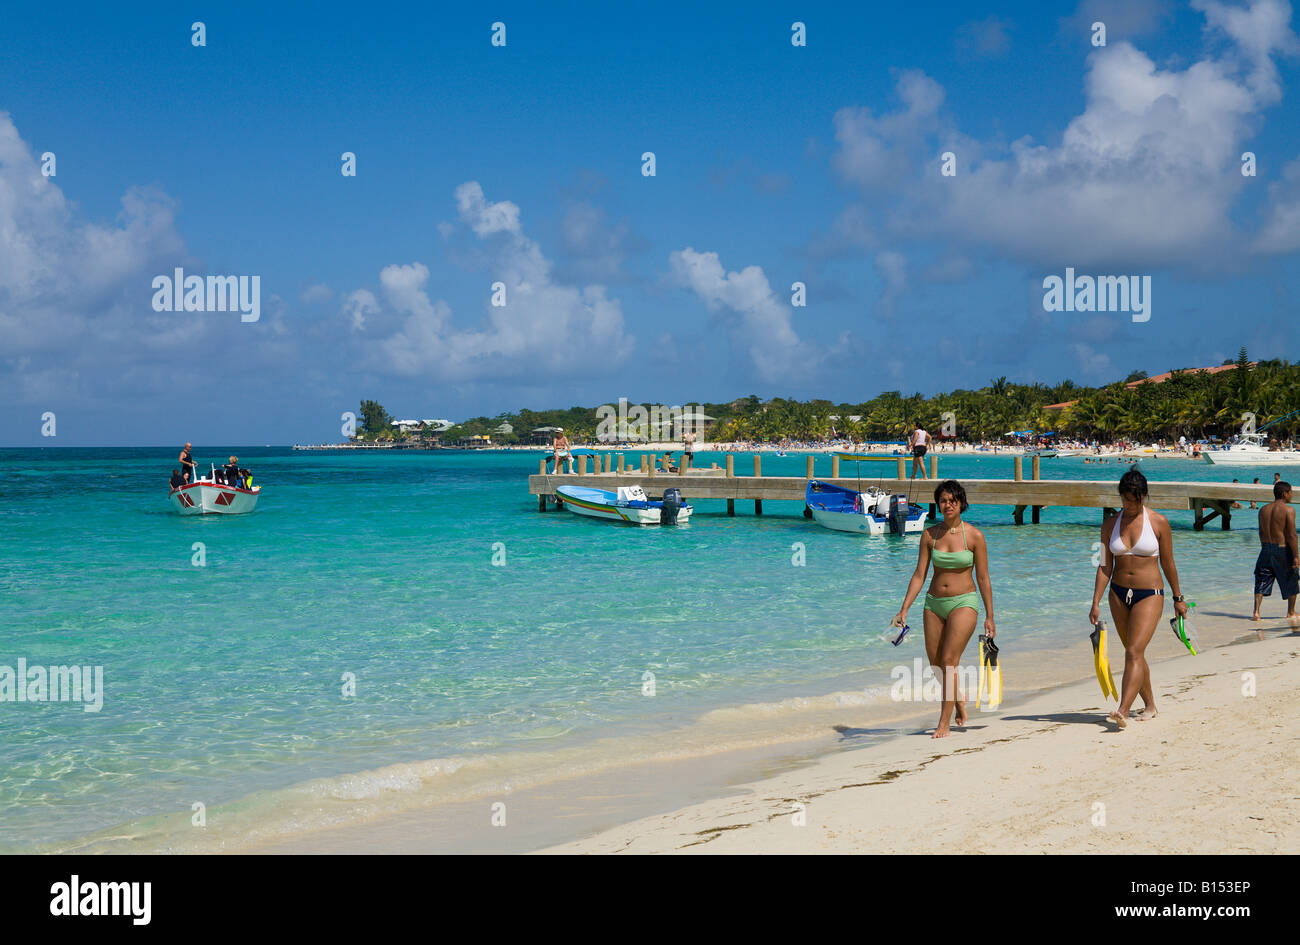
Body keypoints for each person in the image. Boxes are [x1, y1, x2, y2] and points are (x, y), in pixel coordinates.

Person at [892, 480, 995, 739]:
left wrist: (990, 615)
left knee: (949, 661)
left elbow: (983, 578)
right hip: (934, 603)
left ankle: (944, 722)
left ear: (961, 503)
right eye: (943, 501)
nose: (947, 505)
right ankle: (958, 700)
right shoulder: (929, 535)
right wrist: (904, 608)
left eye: (952, 500)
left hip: (965, 602)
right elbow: (919, 575)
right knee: (936, 664)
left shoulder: (974, 536)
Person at [1089, 469, 1188, 728]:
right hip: (1118, 594)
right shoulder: (1109, 524)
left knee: (1133, 651)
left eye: (1134, 500)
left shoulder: (1158, 522)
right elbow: (1104, 566)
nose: (1129, 505)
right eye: (1125, 499)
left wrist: (1178, 597)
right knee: (1135, 652)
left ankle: (1123, 709)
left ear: (1143, 497)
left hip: (1150, 594)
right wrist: (1095, 601)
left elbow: (1168, 563)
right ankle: (1151, 705)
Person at [1252, 481, 1298, 624]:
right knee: (1291, 579)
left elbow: (1261, 531)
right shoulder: (1288, 510)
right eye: (1291, 492)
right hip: (1282, 549)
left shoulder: (1263, 509)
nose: (1292, 495)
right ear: (1285, 494)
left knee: (1261, 578)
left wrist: (1265, 547)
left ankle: (1256, 612)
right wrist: (1296, 555)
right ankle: (1290, 612)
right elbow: (1291, 535)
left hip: (1265, 548)